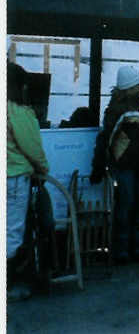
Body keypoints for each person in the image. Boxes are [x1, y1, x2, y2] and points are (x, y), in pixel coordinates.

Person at [90, 65, 139, 264]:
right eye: (137, 85)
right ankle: (124, 251)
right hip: (125, 166)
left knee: (137, 207)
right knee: (127, 207)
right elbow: (105, 138)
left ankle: (134, 249)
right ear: (129, 87)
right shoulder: (118, 110)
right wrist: (99, 166)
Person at [7, 62, 50, 302]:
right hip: (13, 178)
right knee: (11, 233)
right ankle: (9, 287)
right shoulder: (17, 112)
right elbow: (32, 148)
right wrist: (43, 169)